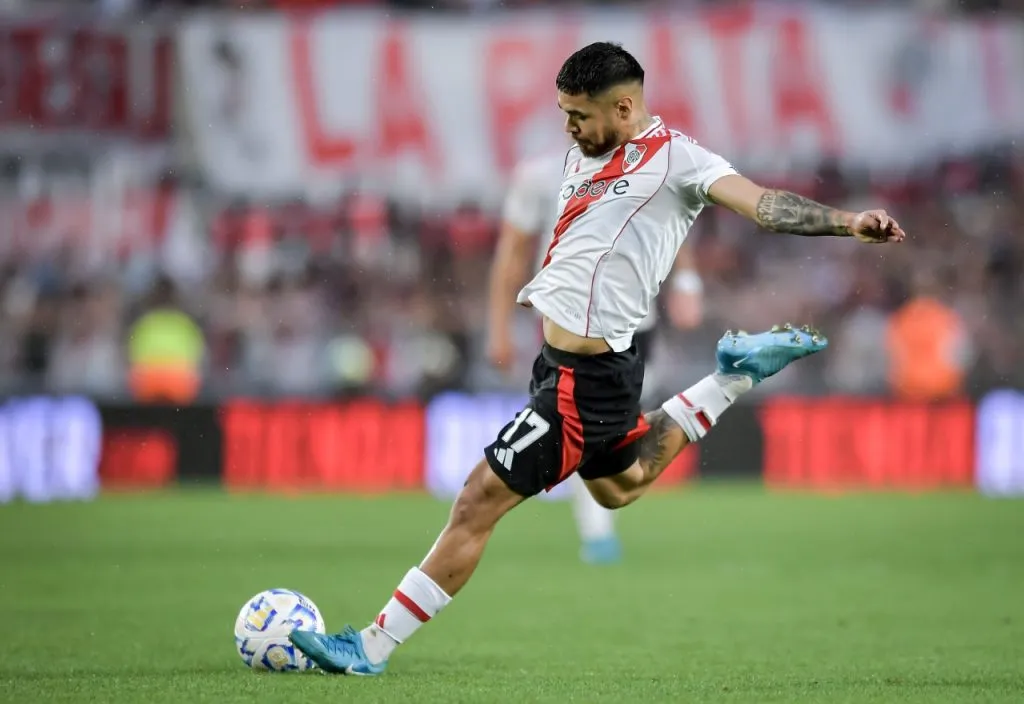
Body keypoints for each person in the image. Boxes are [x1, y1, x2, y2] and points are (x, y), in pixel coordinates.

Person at [290, 42, 905, 675]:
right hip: (565, 365)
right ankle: (731, 378)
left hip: (584, 379)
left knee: (477, 500)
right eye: (564, 114)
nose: (569, 128)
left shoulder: (681, 161)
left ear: (624, 107)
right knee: (618, 486)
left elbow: (765, 204)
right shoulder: (580, 157)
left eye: (579, 115)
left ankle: (370, 647)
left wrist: (849, 222)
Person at [486, 147, 705, 564]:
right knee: (587, 421)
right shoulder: (539, 175)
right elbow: (512, 253)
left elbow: (672, 218)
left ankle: (597, 514)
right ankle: (598, 531)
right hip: (567, 318)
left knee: (618, 421)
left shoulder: (645, 162)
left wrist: (688, 282)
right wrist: (499, 328)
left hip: (636, 317)